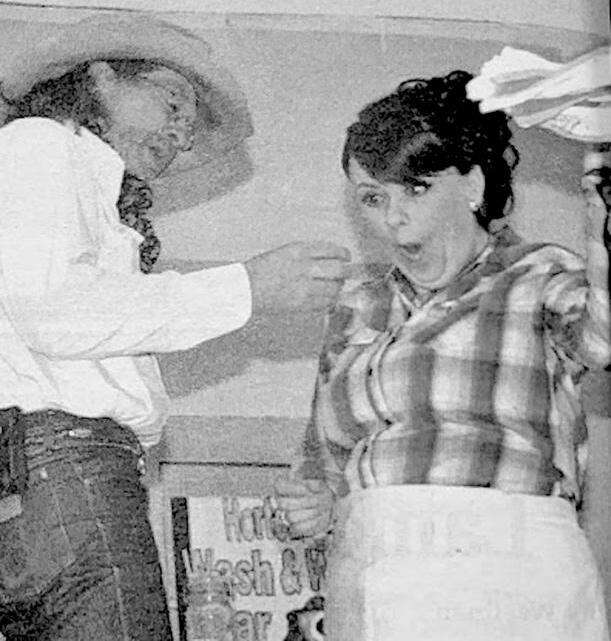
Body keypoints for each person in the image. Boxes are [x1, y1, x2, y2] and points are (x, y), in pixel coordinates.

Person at [0, 14, 350, 641]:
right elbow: (54, 311)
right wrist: (246, 286)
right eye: (172, 102)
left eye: (188, 126)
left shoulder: (63, 175)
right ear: (100, 79)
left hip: (44, 478)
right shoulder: (42, 144)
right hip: (66, 468)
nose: (182, 134)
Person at [276, 70, 611, 640]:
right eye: (373, 197)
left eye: (416, 188)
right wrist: (316, 504)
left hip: (506, 582)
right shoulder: (357, 303)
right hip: (368, 581)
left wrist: (603, 195)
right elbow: (323, 465)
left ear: (473, 185)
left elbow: (603, 339)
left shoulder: (538, 274)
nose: (392, 218)